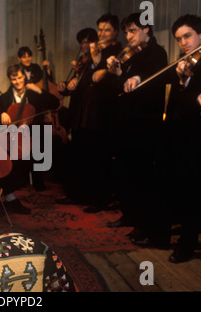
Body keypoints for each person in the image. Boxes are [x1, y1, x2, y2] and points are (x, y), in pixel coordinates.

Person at [131, 15, 201, 263]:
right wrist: (140, 78)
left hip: (199, 139)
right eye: (179, 39)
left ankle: (186, 246)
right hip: (174, 135)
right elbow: (161, 80)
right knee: (166, 186)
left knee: (193, 194)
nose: (183, 42)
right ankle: (159, 236)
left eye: (187, 36)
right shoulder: (184, 62)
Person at [105, 13, 168, 235]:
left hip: (145, 123)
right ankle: (129, 214)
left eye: (133, 30)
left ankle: (142, 222)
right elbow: (123, 88)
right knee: (126, 171)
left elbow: (156, 76)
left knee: (141, 174)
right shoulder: (129, 55)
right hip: (127, 120)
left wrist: (138, 78)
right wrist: (118, 73)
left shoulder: (157, 52)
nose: (129, 36)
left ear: (146, 30)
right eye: (127, 31)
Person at [56, 14, 122, 213]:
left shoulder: (117, 51)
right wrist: (71, 82)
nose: (102, 34)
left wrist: (95, 61)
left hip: (100, 112)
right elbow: (86, 80)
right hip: (82, 111)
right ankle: (78, 194)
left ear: (115, 32)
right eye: (100, 29)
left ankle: (99, 198)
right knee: (80, 155)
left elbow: (103, 80)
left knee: (97, 157)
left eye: (107, 30)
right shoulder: (93, 52)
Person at [0, 64, 59, 209]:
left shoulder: (34, 93)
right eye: (14, 79)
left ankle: (37, 180)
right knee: (5, 149)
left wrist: (39, 90)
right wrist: (2, 113)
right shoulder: (4, 98)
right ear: (10, 80)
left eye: (19, 77)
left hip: (33, 131)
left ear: (24, 76)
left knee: (41, 138)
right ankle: (13, 185)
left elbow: (54, 103)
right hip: (14, 134)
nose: (18, 82)